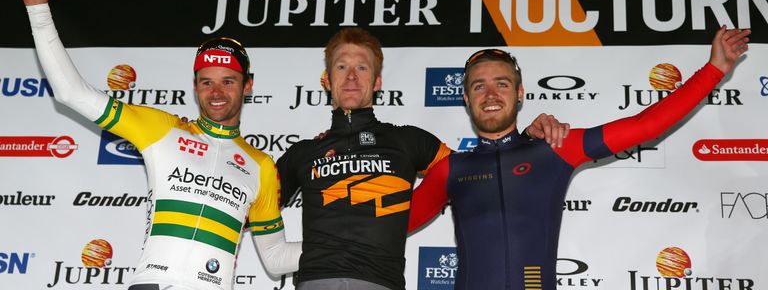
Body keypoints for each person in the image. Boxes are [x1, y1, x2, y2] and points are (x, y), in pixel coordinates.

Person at [20, 0, 301, 290]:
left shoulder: (259, 166)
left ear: (248, 86)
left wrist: (363, 246)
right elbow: (71, 93)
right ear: (195, 86)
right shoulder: (161, 130)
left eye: (228, 81)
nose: (216, 92)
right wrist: (38, 9)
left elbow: (276, 260)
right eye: (206, 82)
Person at [407, 28, 751, 290]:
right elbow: (388, 225)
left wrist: (715, 69)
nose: (492, 94)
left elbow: (646, 126)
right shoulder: (451, 169)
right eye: (479, 86)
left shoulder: (555, 146)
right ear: (466, 98)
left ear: (520, 93)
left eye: (502, 83)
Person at [276, 27, 568, 290]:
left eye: (361, 67)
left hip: (381, 282)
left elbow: (481, 174)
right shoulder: (303, 152)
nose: (352, 76)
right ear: (327, 79)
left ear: (377, 81)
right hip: (314, 281)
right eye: (342, 66)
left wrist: (524, 143)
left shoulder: (409, 141)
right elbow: (253, 208)